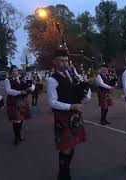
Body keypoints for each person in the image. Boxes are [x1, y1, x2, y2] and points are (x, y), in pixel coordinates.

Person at [47, 48, 91, 180]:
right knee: (65, 147)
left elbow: (85, 87)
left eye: (66, 61)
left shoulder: (73, 74)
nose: (64, 63)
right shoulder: (52, 80)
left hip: (75, 115)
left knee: (71, 145)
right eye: (61, 61)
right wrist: (71, 106)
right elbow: (52, 102)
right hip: (63, 116)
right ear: (55, 62)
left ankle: (65, 170)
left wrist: (87, 97)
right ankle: (63, 174)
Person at [4, 65, 35, 146]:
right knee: (16, 120)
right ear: (10, 72)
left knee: (21, 119)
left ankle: (18, 135)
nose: (15, 72)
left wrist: (30, 88)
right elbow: (8, 91)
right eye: (13, 71)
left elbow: (32, 86)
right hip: (13, 101)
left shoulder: (22, 79)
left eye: (16, 71)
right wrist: (20, 92)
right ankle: (16, 137)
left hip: (22, 101)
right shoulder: (7, 80)